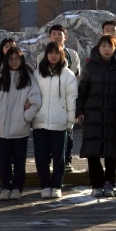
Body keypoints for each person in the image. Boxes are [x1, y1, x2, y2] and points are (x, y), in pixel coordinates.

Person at [77, 35, 116, 197]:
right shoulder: (90, 67)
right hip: (93, 115)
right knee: (93, 151)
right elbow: (82, 91)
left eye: (110, 46)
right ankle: (96, 184)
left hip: (113, 115)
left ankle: (109, 183)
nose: (107, 49)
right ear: (98, 48)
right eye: (104, 46)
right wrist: (79, 111)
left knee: (111, 151)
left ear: (115, 48)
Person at [0, 47, 41, 201]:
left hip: (20, 128)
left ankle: (18, 187)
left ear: (21, 60)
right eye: (11, 59)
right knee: (3, 160)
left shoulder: (28, 78)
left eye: (16, 59)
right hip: (1, 128)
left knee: (19, 160)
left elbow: (36, 102)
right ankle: (5, 187)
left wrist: (25, 117)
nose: (13, 62)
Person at [33, 41, 78, 199]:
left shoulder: (68, 75)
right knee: (41, 156)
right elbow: (32, 95)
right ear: (46, 55)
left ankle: (57, 185)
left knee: (59, 157)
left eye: (56, 53)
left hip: (60, 122)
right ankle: (45, 185)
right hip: (40, 121)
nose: (53, 56)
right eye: (50, 53)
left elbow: (72, 99)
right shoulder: (37, 73)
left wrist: (70, 120)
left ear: (62, 55)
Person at [37, 24, 81, 173]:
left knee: (67, 134)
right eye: (54, 34)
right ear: (49, 37)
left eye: (59, 34)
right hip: (45, 106)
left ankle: (67, 159)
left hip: (64, 97)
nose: (57, 36)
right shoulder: (40, 56)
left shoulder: (72, 54)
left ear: (65, 37)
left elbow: (75, 73)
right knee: (46, 140)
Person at [89, 20, 116, 172]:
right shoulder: (95, 50)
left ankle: (115, 159)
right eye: (106, 30)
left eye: (113, 30)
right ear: (102, 32)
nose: (109, 33)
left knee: (115, 134)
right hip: (99, 99)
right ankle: (95, 160)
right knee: (97, 133)